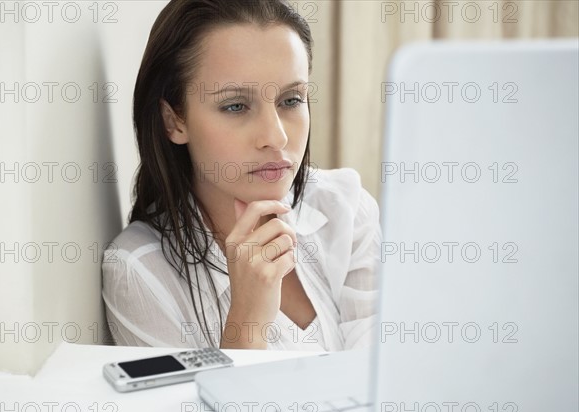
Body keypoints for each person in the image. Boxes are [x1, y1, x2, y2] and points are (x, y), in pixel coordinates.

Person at [101, 0, 382, 351]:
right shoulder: (141, 273)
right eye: (235, 106)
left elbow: (387, 387)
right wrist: (246, 322)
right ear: (174, 120)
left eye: (291, 100)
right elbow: (190, 409)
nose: (276, 136)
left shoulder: (346, 210)